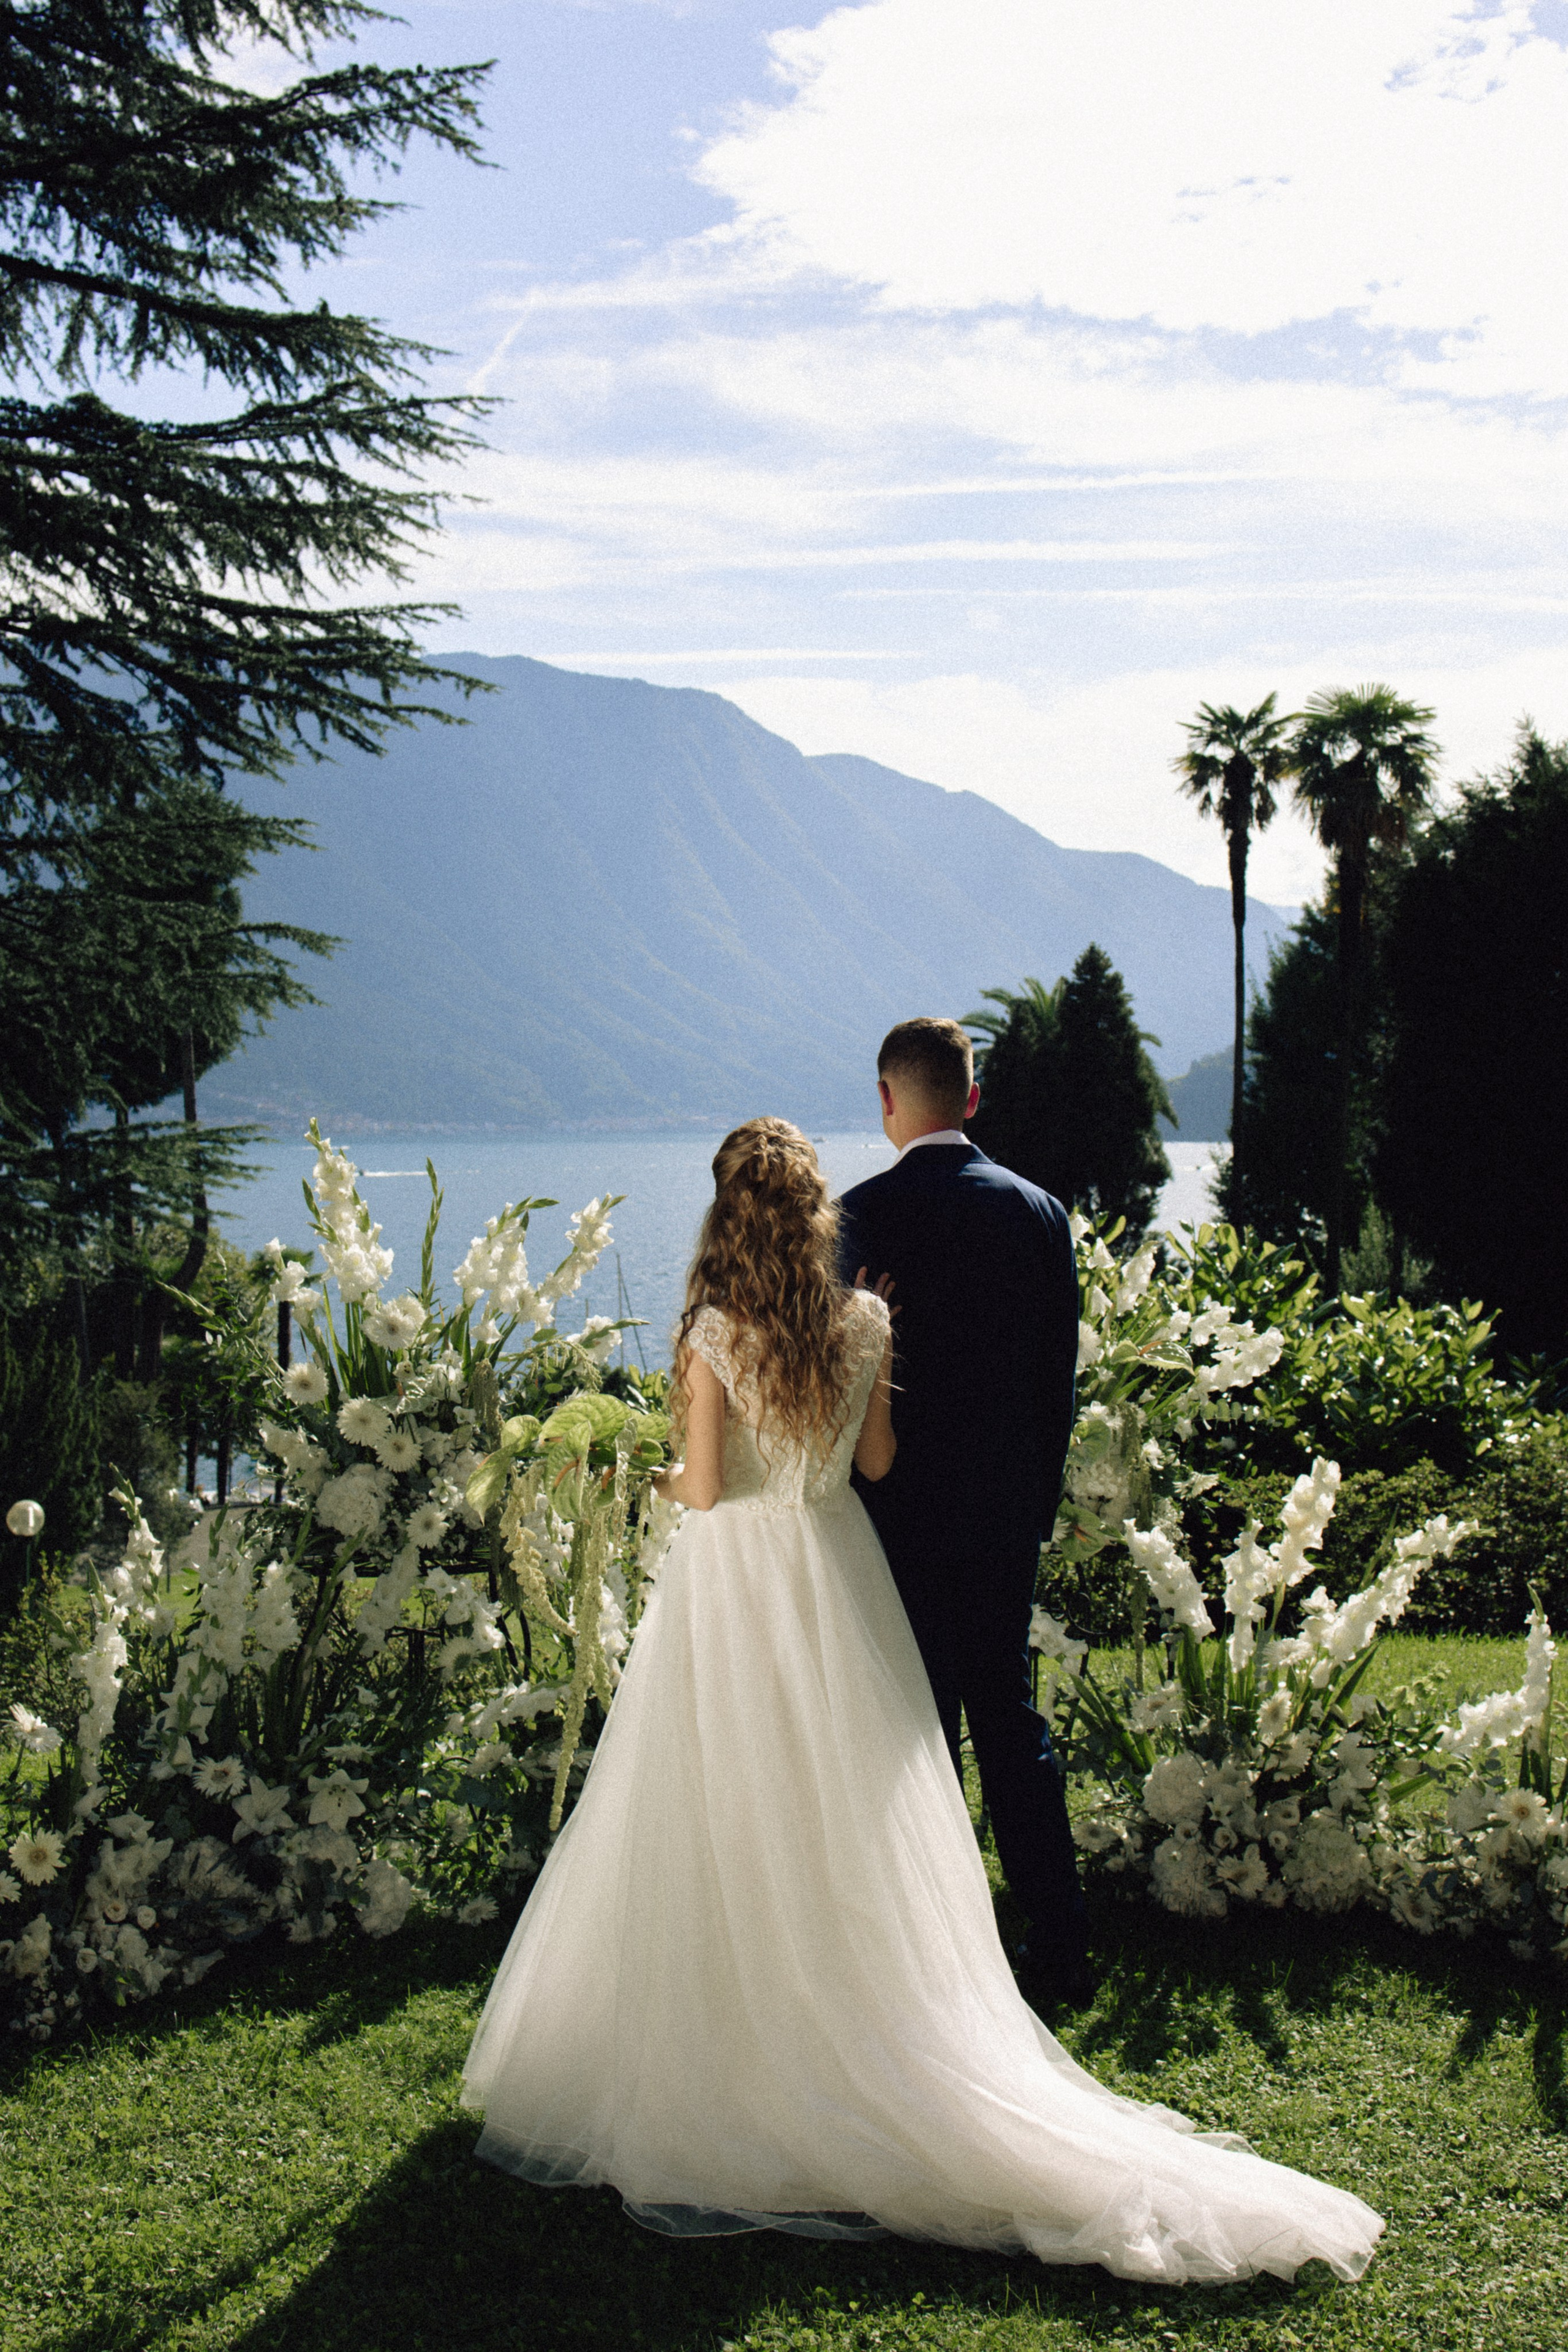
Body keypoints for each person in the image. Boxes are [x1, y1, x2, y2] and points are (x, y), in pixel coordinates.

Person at [461, 1117, 1382, 2283]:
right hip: (841, 1583)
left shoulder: (708, 1331)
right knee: (848, 1816)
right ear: (814, 1221)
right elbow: (879, 1466)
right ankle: (866, 2026)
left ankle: (740, 2048)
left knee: (726, 1804)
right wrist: (858, 1349)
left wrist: (624, 1466)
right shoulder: (863, 1320)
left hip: (738, 1591)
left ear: (725, 1214)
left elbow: (697, 1492)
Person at [835, 1017, 1087, 2005]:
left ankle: (928, 1961)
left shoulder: (854, 1216)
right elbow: (1053, 1384)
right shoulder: (1039, 1213)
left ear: (888, 1103)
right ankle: (1060, 1944)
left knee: (914, 1730)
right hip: (1002, 1516)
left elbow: (835, 1392)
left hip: (890, 1516)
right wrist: (1035, 1503)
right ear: (971, 1099)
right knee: (1009, 1718)